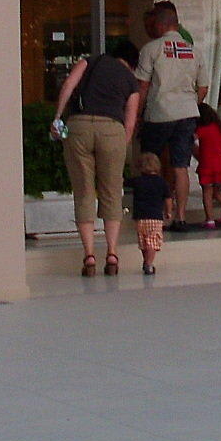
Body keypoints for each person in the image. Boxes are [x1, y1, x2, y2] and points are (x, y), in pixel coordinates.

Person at [52, 41, 142, 277]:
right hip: (112, 130)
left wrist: (58, 117)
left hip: (79, 126)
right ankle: (111, 254)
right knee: (111, 192)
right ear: (132, 63)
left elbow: (68, 85)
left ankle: (89, 255)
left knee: (83, 190)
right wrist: (121, 144)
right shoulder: (131, 80)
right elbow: (130, 120)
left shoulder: (90, 61)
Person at [134, 1, 206, 231]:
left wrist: (136, 115)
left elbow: (142, 86)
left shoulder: (151, 49)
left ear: (160, 24)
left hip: (159, 113)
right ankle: (181, 217)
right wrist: (190, 103)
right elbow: (203, 87)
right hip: (187, 113)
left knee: (150, 163)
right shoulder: (194, 51)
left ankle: (155, 215)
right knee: (181, 166)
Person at [194, 103, 221, 229]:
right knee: (216, 190)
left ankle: (210, 219)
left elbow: (191, 139)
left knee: (207, 192)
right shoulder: (219, 129)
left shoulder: (201, 129)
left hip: (207, 165)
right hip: (220, 165)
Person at [130, 152, 169, 276]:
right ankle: (149, 264)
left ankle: (146, 260)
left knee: (143, 242)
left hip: (140, 217)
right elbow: (168, 198)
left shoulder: (137, 181)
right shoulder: (162, 182)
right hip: (155, 217)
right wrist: (168, 211)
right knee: (152, 241)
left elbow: (125, 183)